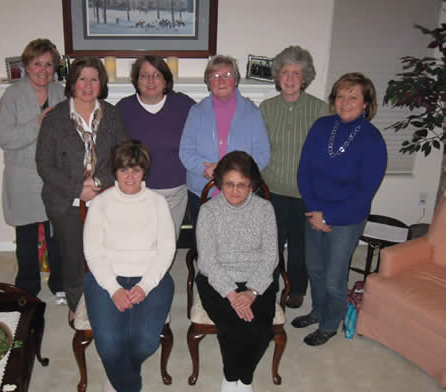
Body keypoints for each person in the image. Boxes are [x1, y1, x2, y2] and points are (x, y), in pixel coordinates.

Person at [294, 72, 387, 346]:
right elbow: (304, 171)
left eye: (353, 97)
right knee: (315, 269)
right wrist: (313, 210)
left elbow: (365, 192)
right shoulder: (321, 126)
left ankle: (330, 324)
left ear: (366, 104)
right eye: (340, 96)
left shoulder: (372, 140)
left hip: (346, 219)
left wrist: (329, 216)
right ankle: (318, 311)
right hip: (314, 212)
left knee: (334, 278)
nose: (345, 102)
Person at [36, 56, 125, 325]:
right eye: (81, 79)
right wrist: (78, 190)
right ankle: (76, 303)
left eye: (94, 79)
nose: (87, 85)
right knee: (74, 255)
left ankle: (108, 294)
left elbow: (122, 157)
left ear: (101, 83)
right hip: (65, 200)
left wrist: (97, 184)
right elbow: (44, 164)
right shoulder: (55, 118)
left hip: (105, 195)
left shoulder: (112, 114)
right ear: (72, 83)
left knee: (107, 251)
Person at [83, 140, 175, 392]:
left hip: (151, 278)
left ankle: (116, 374)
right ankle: (126, 383)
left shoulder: (158, 203)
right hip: (106, 278)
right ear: (115, 172)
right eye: (124, 170)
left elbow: (166, 251)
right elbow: (93, 252)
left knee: (145, 342)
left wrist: (145, 286)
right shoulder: (101, 203)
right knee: (110, 343)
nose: (130, 176)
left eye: (135, 169)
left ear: (144, 171)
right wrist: (113, 288)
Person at [195, 151, 278, 392]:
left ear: (251, 185)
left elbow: (270, 256)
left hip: (257, 280)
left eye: (242, 185)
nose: (234, 190)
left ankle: (245, 378)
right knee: (233, 330)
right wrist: (232, 295)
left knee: (261, 332)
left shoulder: (265, 210)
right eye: (229, 184)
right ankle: (232, 378)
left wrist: (251, 291)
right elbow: (207, 261)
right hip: (217, 280)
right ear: (220, 183)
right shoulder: (209, 212)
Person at [260, 46, 329, 309]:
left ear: (305, 77)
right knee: (271, 244)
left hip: (306, 193)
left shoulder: (320, 109)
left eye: (296, 73)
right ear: (278, 76)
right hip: (272, 190)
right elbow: (259, 149)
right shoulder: (266, 108)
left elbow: (325, 156)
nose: (289, 78)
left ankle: (298, 288)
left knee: (301, 247)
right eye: (285, 72)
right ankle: (270, 285)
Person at [0, 38, 64, 297]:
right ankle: (26, 288)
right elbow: (5, 138)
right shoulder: (12, 95)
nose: (43, 70)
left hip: (54, 177)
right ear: (26, 65)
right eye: (37, 64)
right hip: (23, 178)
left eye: (48, 64)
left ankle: (59, 285)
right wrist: (39, 123)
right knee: (26, 239)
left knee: (56, 236)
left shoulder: (60, 91)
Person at [179, 55, 270, 231]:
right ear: (208, 82)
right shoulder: (196, 112)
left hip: (240, 192)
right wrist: (204, 169)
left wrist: (238, 175)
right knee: (205, 246)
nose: (221, 80)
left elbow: (262, 153)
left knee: (237, 245)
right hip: (203, 191)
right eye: (214, 76)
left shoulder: (252, 113)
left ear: (235, 79)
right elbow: (185, 151)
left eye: (227, 74)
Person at [116, 55, 195, 237]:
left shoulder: (183, 104)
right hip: (137, 191)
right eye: (144, 75)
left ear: (166, 80)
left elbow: (207, 127)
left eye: (157, 75)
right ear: (136, 80)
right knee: (139, 242)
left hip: (175, 193)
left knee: (167, 244)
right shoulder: (123, 108)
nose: (150, 81)